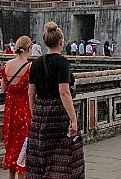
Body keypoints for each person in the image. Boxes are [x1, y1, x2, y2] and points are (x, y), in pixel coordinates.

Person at [27, 21, 84, 178]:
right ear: (61, 42)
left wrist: (34, 113)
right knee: (66, 157)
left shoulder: (35, 63)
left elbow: (31, 93)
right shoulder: (62, 62)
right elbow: (64, 92)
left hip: (39, 113)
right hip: (58, 113)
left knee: (40, 157)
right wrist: (73, 120)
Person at [0, 35, 33, 179]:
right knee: (23, 148)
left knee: (12, 146)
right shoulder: (29, 66)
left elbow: (3, 89)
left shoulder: (7, 65)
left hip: (10, 110)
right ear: (29, 48)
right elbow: (32, 92)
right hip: (24, 108)